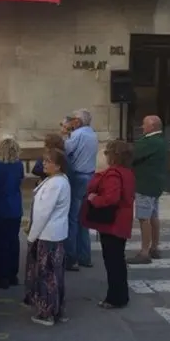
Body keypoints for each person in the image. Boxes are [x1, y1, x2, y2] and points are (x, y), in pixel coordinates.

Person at [83, 141, 135, 309]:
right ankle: (120, 295)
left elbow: (111, 198)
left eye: (107, 153)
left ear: (114, 155)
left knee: (113, 261)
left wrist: (94, 199)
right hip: (122, 219)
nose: (105, 156)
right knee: (117, 259)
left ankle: (115, 298)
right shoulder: (128, 172)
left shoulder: (113, 174)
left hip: (114, 221)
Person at [23, 148, 71, 326]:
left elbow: (43, 212)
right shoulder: (58, 181)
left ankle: (48, 312)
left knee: (47, 274)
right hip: (54, 233)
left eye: (48, 161)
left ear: (58, 166)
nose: (44, 164)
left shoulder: (54, 184)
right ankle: (58, 310)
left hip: (48, 234)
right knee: (55, 273)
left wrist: (32, 235)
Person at [129, 115, 168, 265]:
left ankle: (144, 252)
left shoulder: (151, 142)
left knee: (144, 218)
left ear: (152, 127)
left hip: (145, 184)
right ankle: (154, 247)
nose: (142, 127)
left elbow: (134, 155)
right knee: (153, 216)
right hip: (155, 185)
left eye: (144, 124)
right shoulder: (161, 141)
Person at [0, 137, 25, 289]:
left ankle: (1, 275)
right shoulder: (19, 165)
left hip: (0, 207)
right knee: (13, 241)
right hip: (15, 206)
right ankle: (12, 274)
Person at [64, 109, 98, 271]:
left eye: (72, 120)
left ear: (77, 121)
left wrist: (65, 132)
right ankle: (85, 256)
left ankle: (71, 258)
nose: (71, 122)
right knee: (83, 218)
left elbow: (65, 150)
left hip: (77, 176)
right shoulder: (92, 134)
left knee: (72, 218)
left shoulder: (77, 135)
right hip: (89, 176)